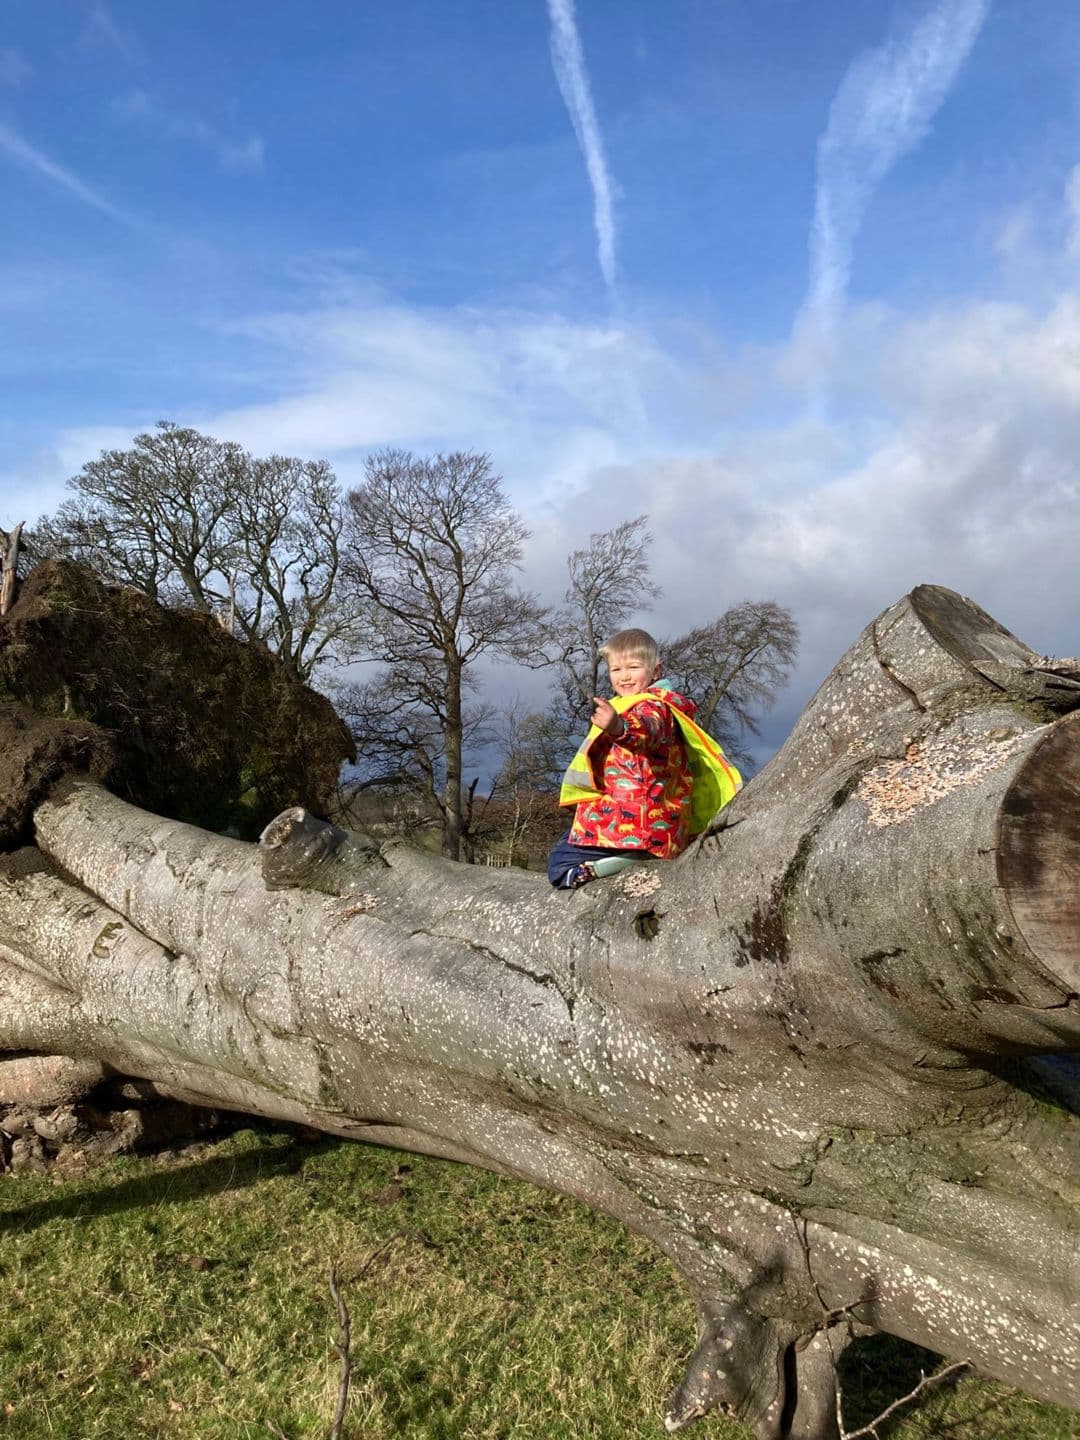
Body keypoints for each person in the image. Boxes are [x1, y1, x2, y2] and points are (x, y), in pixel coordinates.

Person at [548, 628, 741, 889]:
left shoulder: (654, 706)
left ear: (656, 671)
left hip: (633, 824)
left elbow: (647, 729)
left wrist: (619, 727)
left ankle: (631, 860)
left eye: (633, 667)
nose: (624, 676)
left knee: (561, 867)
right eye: (616, 670)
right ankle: (637, 856)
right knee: (567, 842)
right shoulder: (634, 705)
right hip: (648, 824)